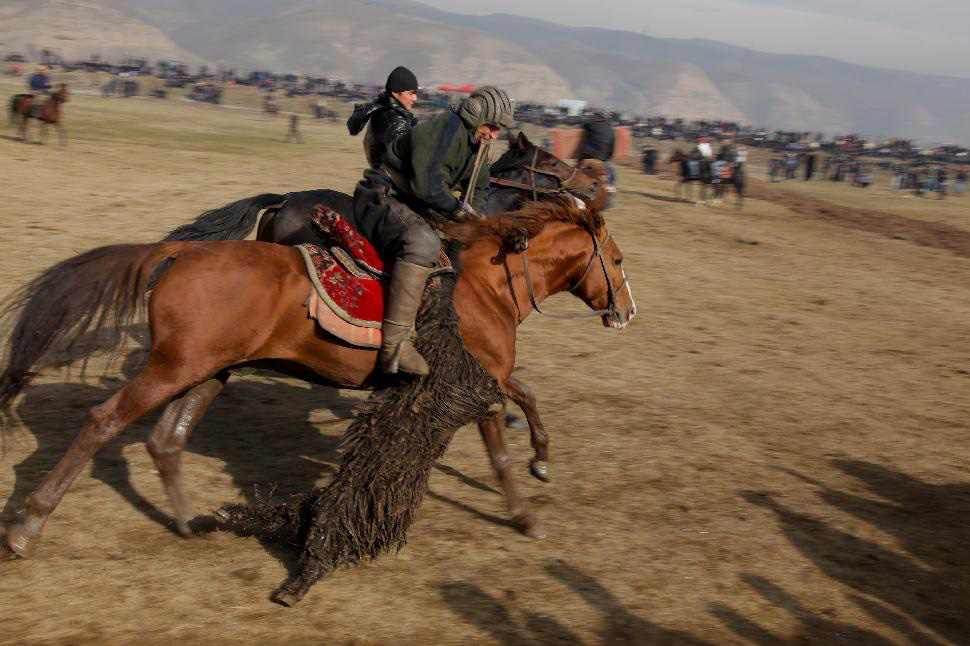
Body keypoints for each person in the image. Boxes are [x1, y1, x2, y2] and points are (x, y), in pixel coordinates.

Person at [353, 86, 515, 376]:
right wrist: (457, 211)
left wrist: (471, 222)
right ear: (476, 115)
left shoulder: (476, 146)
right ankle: (395, 346)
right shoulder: (445, 129)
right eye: (492, 127)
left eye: (498, 130)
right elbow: (427, 186)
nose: (493, 134)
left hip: (415, 205)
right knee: (424, 243)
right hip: (384, 196)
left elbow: (478, 188)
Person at [347, 66, 419, 169]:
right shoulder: (395, 120)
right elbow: (408, 162)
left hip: (383, 175)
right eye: (411, 93)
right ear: (396, 93)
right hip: (393, 180)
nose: (415, 98)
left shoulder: (384, 111)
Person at [577, 111, 616, 192]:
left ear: (599, 117)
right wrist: (606, 158)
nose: (593, 117)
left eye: (595, 116)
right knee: (611, 170)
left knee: (577, 167)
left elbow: (584, 124)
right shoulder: (611, 130)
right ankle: (612, 185)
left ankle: (573, 182)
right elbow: (612, 147)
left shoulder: (591, 125)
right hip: (602, 157)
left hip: (588, 155)